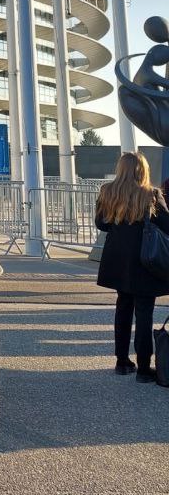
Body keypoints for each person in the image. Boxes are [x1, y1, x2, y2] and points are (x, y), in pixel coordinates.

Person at [95, 151, 169, 381]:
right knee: (144, 313)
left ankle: (121, 361)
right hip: (144, 260)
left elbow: (101, 224)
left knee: (123, 308)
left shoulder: (107, 191)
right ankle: (144, 369)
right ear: (142, 170)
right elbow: (167, 224)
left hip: (118, 260)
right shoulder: (151, 194)